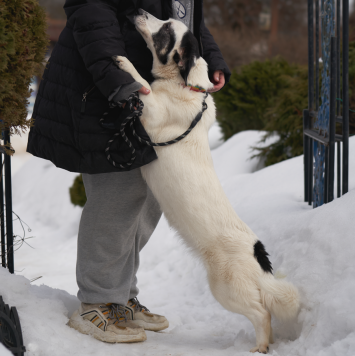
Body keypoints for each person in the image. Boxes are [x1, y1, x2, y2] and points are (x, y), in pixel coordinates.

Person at [27, 0, 231, 343]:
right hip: (104, 95)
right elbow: (93, 23)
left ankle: (119, 297)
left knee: (149, 200)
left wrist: (209, 59)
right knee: (116, 199)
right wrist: (120, 81)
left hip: (153, 98)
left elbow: (187, 21)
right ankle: (95, 303)